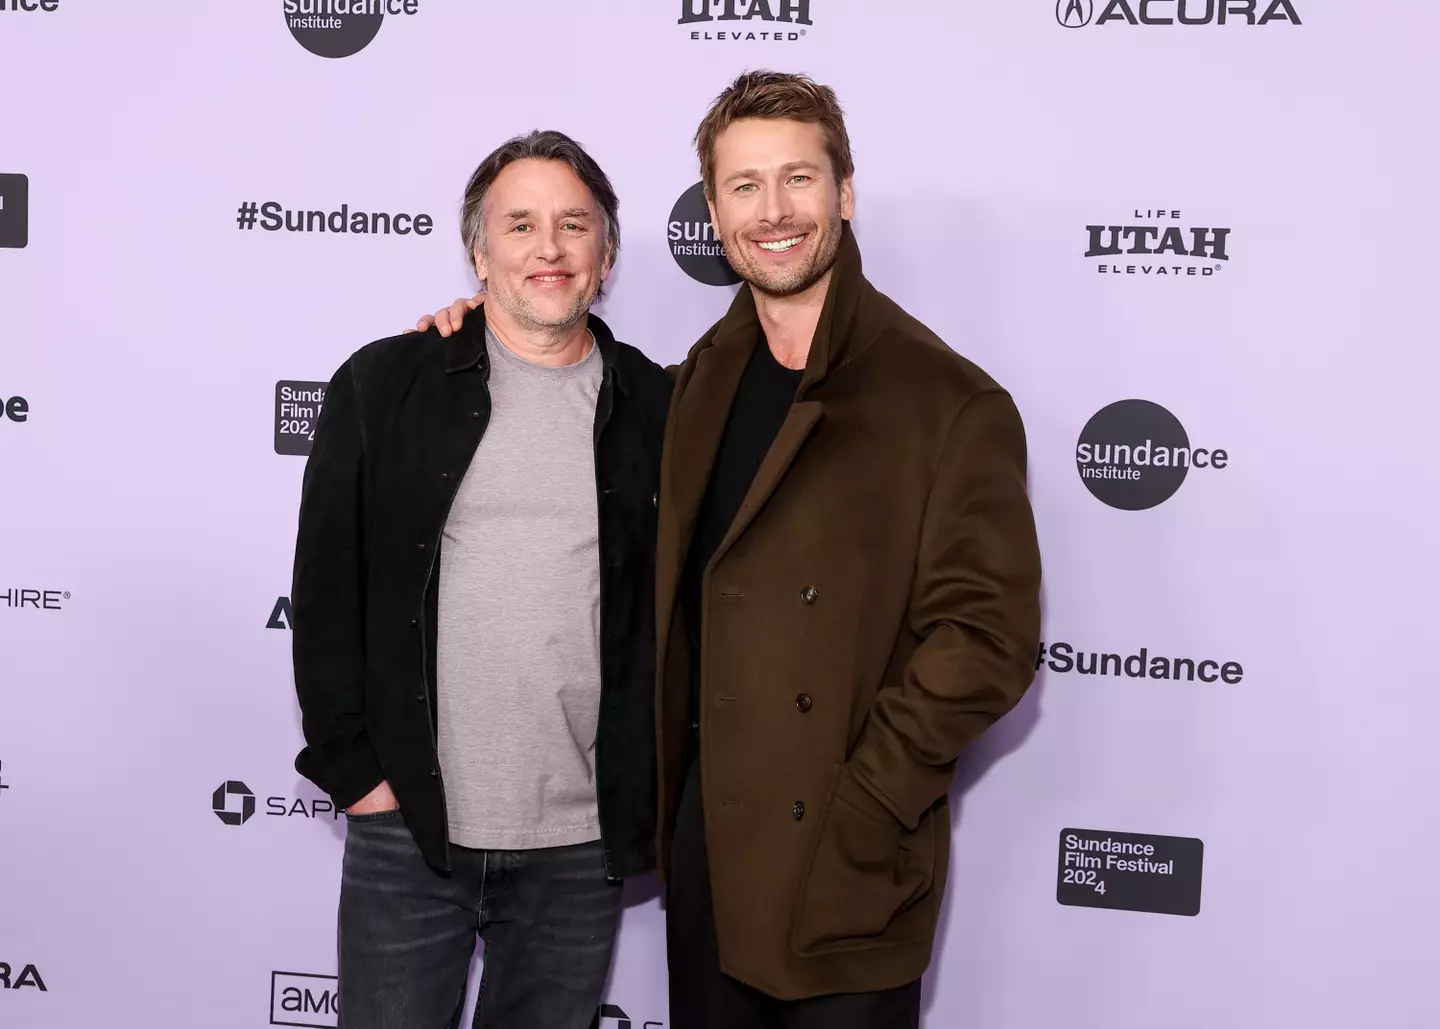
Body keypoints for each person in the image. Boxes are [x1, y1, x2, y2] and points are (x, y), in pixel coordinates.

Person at [416, 71, 1043, 1029]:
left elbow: (989, 641)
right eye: (745, 186)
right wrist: (465, 333)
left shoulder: (947, 401)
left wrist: (869, 798)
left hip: (850, 865)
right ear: (712, 211)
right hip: (713, 863)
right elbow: (556, 371)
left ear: (845, 192)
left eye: (799, 178)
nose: (775, 211)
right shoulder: (695, 382)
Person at [290, 129, 672, 1029]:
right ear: (479, 250)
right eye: (521, 225)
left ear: (605, 255)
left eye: (574, 225)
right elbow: (324, 595)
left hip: (580, 849)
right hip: (409, 833)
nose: (549, 248)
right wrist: (360, 782)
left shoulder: (659, 409)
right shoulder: (386, 384)